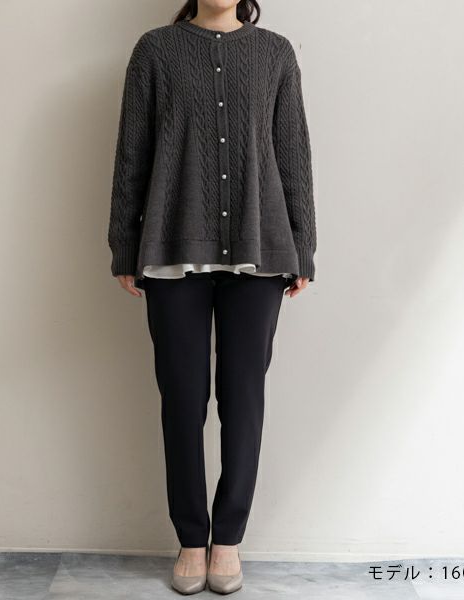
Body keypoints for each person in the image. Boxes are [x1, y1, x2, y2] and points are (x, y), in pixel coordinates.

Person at [107, 0, 316, 594]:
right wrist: (124, 244)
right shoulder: (156, 51)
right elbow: (132, 152)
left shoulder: (275, 53)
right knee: (183, 400)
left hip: (260, 251)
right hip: (172, 249)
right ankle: (190, 541)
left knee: (243, 400)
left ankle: (228, 540)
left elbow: (293, 151)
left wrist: (302, 244)